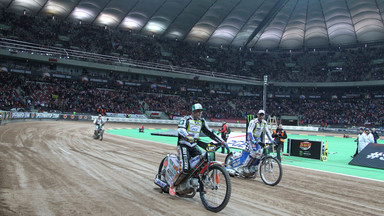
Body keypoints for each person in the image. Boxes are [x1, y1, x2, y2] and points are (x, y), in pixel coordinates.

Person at [169, 103, 225, 196]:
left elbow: (210, 133)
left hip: (193, 146)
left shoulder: (202, 121)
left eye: (200, 111)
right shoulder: (186, 119)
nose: (199, 113)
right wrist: (186, 136)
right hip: (183, 145)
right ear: (193, 112)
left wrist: (222, 141)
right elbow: (180, 129)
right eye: (197, 111)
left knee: (203, 162)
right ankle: (173, 185)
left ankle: (200, 184)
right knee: (184, 167)